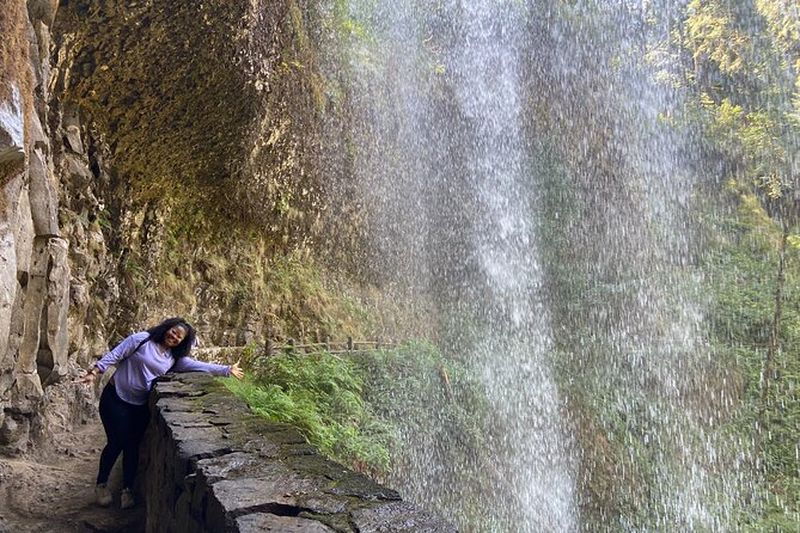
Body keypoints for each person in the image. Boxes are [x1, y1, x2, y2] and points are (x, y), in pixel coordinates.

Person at [77, 317, 244, 509]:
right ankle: (102, 485)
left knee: (132, 446)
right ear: (166, 328)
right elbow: (116, 354)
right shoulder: (142, 339)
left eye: (179, 337)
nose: (173, 336)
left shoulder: (174, 359)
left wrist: (226, 370)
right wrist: (95, 371)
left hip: (139, 405)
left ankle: (127, 489)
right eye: (173, 331)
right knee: (117, 441)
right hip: (115, 397)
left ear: (182, 342)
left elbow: (199, 366)